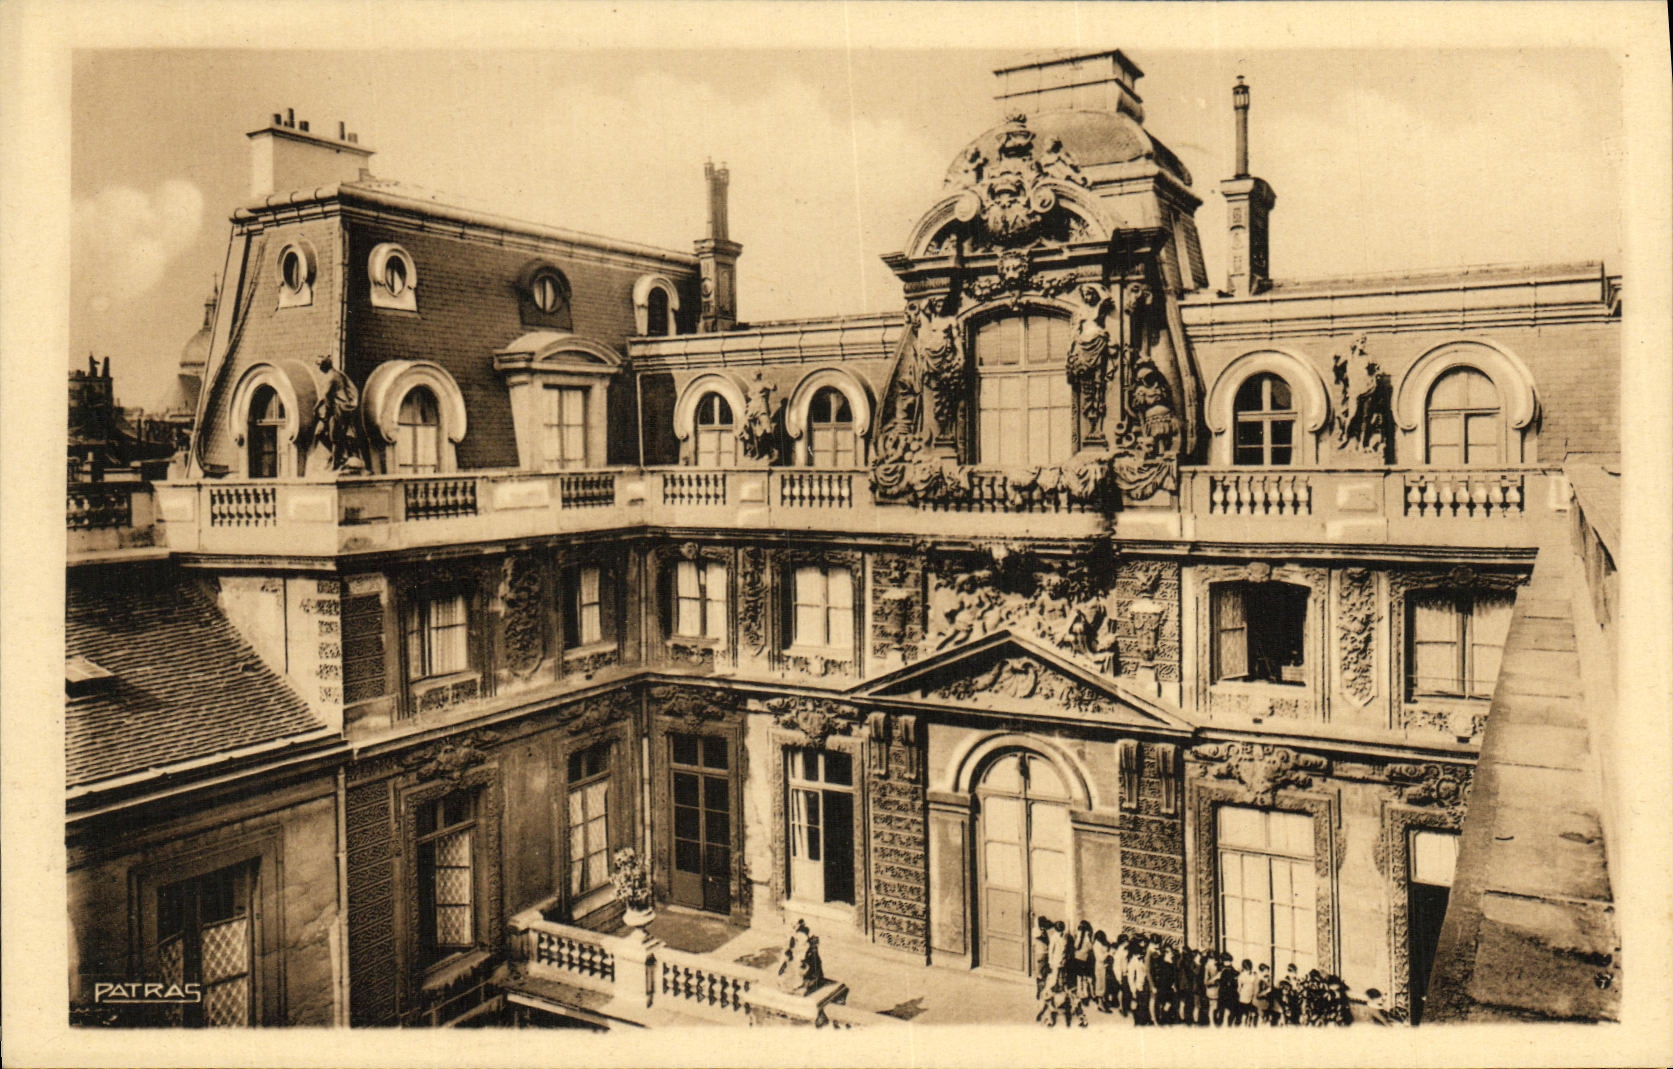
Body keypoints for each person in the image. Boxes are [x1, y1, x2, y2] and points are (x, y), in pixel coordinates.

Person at [1126, 936, 1152, 1025]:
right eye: (1142, 943)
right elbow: (1131, 977)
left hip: (1147, 985)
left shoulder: (1147, 956)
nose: (1144, 945)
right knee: (1140, 1008)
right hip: (1139, 987)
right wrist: (1133, 990)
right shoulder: (1133, 959)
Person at [1215, 954, 1239, 1026]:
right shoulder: (1228, 970)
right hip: (1229, 992)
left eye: (1229, 961)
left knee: (1223, 1010)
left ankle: (1222, 1023)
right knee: (1227, 1010)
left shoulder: (1225, 970)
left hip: (1226, 992)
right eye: (1227, 961)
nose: (1229, 962)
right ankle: (1225, 1023)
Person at [1092, 931, 1112, 1012]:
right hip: (1100, 966)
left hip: (1103, 966)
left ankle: (1103, 1002)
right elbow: (1100, 958)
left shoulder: (1099, 943)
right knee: (1100, 985)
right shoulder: (1096, 945)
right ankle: (1100, 1005)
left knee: (1103, 985)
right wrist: (1108, 953)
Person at [1236, 959, 1259, 1026]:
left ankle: (1248, 1024)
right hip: (1244, 996)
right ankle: (1242, 1024)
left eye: (1249, 969)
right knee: (1243, 1013)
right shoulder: (1241, 976)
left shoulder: (1253, 975)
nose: (1248, 971)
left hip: (1250, 995)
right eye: (1247, 969)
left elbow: (1256, 985)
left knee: (1250, 1012)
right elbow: (1239, 988)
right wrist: (1240, 993)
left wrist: (1254, 993)